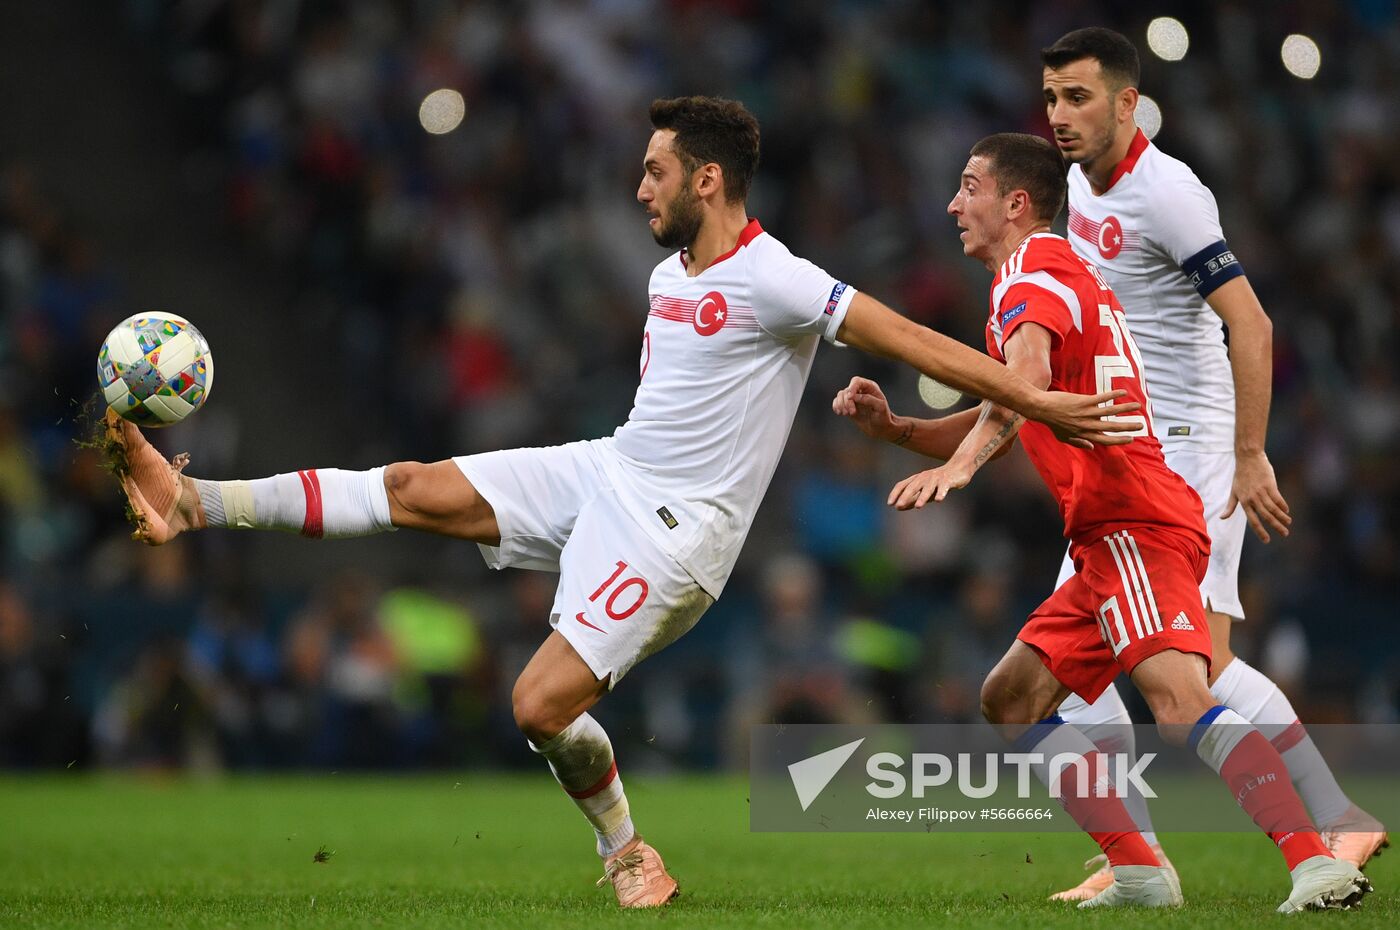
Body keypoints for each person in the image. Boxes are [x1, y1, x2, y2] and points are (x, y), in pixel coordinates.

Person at [104, 96, 1138, 909]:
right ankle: (196, 502)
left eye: (654, 171)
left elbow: (912, 340)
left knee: (536, 707)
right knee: (412, 486)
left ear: (707, 178)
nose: (638, 187)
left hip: (676, 536)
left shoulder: (776, 278)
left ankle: (627, 850)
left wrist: (1038, 400)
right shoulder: (665, 276)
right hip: (609, 471)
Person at [833, 132, 1371, 912]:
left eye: (970, 187)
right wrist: (899, 430)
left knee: (1182, 701)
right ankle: (1140, 871)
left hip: (1133, 522)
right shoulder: (1049, 272)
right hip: (1105, 535)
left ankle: (1315, 861)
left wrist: (961, 468)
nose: (953, 204)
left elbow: (1026, 384)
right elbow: (1016, 402)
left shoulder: (1032, 273)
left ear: (1016, 204)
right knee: (1011, 698)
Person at [1038, 27, 1386, 898]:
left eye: (1077, 97)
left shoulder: (1171, 195)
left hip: (1190, 450)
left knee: (1190, 662)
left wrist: (1248, 454)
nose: (1059, 116)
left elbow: (1252, 323)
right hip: (1128, 449)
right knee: (1077, 656)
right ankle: (1140, 855)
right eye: (1050, 99)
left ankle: (1324, 820)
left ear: (1126, 103)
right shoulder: (1076, 186)